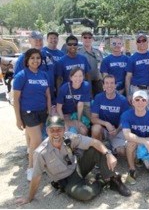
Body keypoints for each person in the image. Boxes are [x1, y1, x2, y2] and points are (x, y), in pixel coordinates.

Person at [16, 115, 131, 205]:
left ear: (64, 129)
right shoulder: (41, 153)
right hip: (65, 180)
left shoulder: (69, 137)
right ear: (47, 131)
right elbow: (36, 177)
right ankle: (101, 181)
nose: (56, 133)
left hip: (77, 168)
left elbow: (94, 142)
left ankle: (113, 180)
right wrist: (29, 198)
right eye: (52, 130)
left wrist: (108, 154)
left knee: (97, 148)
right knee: (86, 194)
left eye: (59, 130)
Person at [13, 48, 51, 181]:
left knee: (35, 141)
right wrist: (18, 119)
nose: (36, 60)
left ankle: (39, 163)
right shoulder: (22, 75)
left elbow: (47, 94)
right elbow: (16, 99)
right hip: (28, 113)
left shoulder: (44, 74)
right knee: (37, 140)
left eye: (38, 58)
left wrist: (49, 110)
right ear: (27, 60)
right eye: (32, 58)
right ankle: (31, 168)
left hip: (42, 112)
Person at [121, 90, 149, 185]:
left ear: (147, 102)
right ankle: (132, 169)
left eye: (143, 100)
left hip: (148, 145)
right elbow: (127, 135)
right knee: (130, 143)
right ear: (132, 102)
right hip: (137, 143)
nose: (140, 102)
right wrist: (144, 142)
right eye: (137, 100)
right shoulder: (126, 115)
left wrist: (145, 143)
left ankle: (146, 162)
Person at [91, 75, 130, 155]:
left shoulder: (122, 100)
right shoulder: (98, 97)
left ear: (115, 85)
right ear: (103, 85)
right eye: (107, 83)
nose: (109, 85)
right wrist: (106, 123)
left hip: (116, 130)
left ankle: (109, 147)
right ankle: (97, 154)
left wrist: (117, 130)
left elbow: (125, 120)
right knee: (95, 129)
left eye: (112, 83)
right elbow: (93, 118)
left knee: (122, 152)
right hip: (103, 129)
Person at [125, 33, 149, 116]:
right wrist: (128, 94)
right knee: (138, 114)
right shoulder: (132, 58)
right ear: (136, 43)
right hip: (137, 89)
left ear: (147, 42)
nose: (142, 42)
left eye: (144, 40)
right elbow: (128, 77)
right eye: (139, 41)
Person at [56, 67, 91, 135]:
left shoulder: (85, 85)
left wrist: (79, 121)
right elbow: (59, 107)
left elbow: (80, 105)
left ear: (83, 77)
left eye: (80, 76)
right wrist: (63, 122)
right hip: (65, 114)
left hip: (77, 113)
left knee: (83, 130)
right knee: (66, 130)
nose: (78, 79)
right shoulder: (64, 88)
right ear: (71, 77)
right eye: (75, 76)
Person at [78, 31, 104, 97]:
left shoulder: (98, 52)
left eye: (89, 37)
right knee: (87, 103)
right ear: (81, 39)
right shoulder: (78, 52)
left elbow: (102, 67)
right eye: (85, 37)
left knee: (99, 101)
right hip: (84, 82)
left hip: (97, 82)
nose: (87, 39)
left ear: (92, 39)